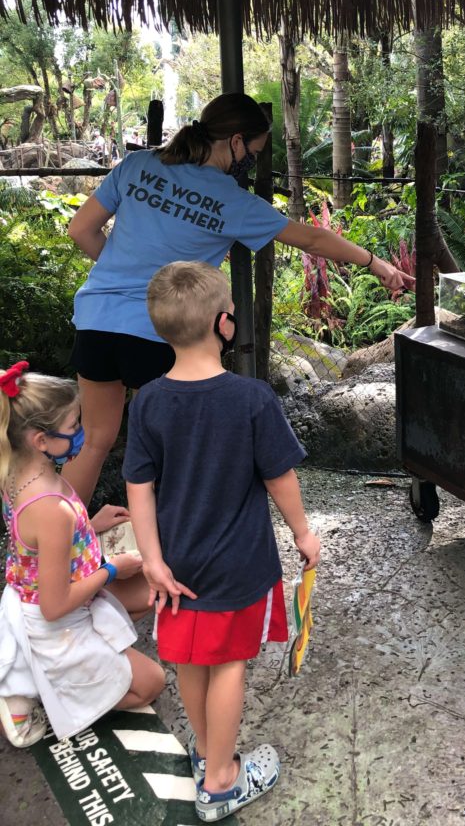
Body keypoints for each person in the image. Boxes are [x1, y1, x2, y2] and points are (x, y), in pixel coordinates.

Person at [66, 92, 414, 515]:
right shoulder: (233, 202)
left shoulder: (137, 166)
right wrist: (377, 263)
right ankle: (177, 552)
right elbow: (313, 238)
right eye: (253, 150)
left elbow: (80, 230)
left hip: (97, 322)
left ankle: (57, 547)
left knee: (96, 440)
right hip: (164, 332)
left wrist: (124, 272)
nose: (251, 159)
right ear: (235, 141)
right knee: (177, 453)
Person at [125, 261, 320, 821]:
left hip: (178, 562)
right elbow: (279, 476)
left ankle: (206, 751)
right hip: (238, 564)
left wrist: (154, 562)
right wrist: (303, 533)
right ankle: (221, 780)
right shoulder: (252, 399)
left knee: (190, 659)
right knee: (231, 661)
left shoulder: (148, 402)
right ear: (224, 324)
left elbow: (139, 488)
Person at [0, 362, 165, 748]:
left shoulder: (16, 472)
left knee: (147, 593)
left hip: (47, 594)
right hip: (55, 621)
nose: (82, 433)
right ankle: (39, 691)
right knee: (150, 684)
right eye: (74, 425)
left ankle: (66, 671)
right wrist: (111, 570)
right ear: (41, 440)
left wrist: (92, 524)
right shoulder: (50, 508)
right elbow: (54, 606)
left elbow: (39, 547)